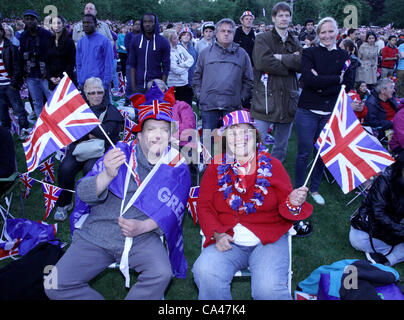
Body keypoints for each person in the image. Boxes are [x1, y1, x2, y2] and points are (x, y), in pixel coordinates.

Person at [45, 82, 190, 300]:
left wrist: (144, 226)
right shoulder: (119, 153)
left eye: (164, 129)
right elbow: (83, 193)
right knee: (54, 284)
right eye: (152, 129)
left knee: (161, 274)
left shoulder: (176, 166)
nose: (158, 135)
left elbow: (175, 211)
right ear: (139, 135)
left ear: (171, 135)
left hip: (143, 237)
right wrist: (107, 175)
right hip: (98, 233)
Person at [192, 109, 313, 300]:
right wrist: (216, 232)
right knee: (205, 271)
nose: (238, 138)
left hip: (268, 241)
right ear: (225, 138)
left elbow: (286, 207)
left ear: (255, 135)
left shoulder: (273, 165)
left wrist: (293, 201)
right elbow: (204, 206)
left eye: (244, 131)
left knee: (268, 289)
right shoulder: (215, 166)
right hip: (229, 240)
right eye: (232, 132)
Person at [294, 17, 355, 206]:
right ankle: (298, 188)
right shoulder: (309, 52)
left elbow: (348, 84)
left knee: (321, 153)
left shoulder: (345, 57)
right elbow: (309, 81)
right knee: (304, 152)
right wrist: (336, 79)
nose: (327, 35)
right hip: (307, 110)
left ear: (337, 32)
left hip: (329, 112)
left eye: (330, 31)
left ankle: (313, 188)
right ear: (318, 34)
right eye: (323, 32)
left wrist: (322, 81)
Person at [53, 77, 123, 221]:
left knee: (90, 169)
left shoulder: (110, 109)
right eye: (92, 93)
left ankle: (89, 206)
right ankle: (64, 203)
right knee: (65, 168)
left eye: (99, 92)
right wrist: (94, 132)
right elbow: (72, 134)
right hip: (79, 148)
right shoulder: (79, 110)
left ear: (104, 92)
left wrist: (88, 128)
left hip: (101, 150)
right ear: (85, 93)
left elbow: (109, 133)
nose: (96, 96)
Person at [250, 2, 302, 163]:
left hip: (288, 100)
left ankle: (273, 179)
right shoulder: (262, 39)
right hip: (265, 100)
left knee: (280, 147)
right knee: (256, 144)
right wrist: (289, 64)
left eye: (287, 15)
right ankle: (252, 177)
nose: (284, 19)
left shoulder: (294, 41)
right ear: (273, 18)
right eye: (280, 15)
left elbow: (302, 63)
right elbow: (262, 62)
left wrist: (280, 58)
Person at [193, 18, 253, 132]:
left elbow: (248, 80)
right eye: (223, 31)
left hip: (232, 105)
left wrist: (240, 98)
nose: (226, 34)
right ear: (217, 33)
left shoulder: (242, 54)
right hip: (209, 104)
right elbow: (197, 77)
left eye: (229, 31)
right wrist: (200, 95)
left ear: (233, 34)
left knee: (232, 142)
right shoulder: (205, 53)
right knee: (207, 141)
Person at [349, 151, 404, 266]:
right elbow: (378, 213)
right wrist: (400, 231)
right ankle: (387, 255)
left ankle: (385, 259)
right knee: (357, 240)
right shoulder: (385, 180)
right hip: (369, 229)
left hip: (393, 230)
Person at [19, 9, 53, 118]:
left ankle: (56, 124)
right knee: (36, 102)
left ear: (37, 20)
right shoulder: (23, 36)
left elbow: (53, 53)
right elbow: (22, 55)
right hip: (31, 74)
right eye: (27, 19)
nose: (29, 22)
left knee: (51, 101)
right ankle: (41, 125)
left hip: (45, 75)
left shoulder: (46, 34)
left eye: (32, 19)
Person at [129, 12, 171, 94]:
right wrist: (133, 87)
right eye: (145, 22)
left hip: (155, 86)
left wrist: (162, 86)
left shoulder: (163, 42)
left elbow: (166, 66)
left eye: (150, 22)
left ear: (155, 23)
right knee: (139, 107)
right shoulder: (135, 40)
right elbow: (132, 65)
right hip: (139, 85)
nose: (147, 24)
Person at [0, 23, 29, 135]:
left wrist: (13, 84)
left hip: (10, 84)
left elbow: (17, 67)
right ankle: (7, 133)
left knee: (18, 109)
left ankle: (25, 129)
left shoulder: (10, 47)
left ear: (2, 32)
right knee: (2, 112)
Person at [76, 14, 114, 98]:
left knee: (102, 111)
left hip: (99, 86)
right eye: (84, 23)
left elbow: (109, 65)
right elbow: (79, 64)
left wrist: (104, 85)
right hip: (85, 85)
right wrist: (80, 82)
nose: (86, 25)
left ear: (96, 25)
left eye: (89, 23)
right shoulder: (81, 42)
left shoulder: (105, 41)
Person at [163, 29, 194, 106]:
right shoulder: (167, 53)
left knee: (186, 107)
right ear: (169, 40)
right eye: (175, 38)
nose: (178, 39)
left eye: (177, 37)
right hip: (175, 86)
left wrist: (183, 65)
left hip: (185, 83)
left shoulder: (180, 47)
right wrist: (187, 66)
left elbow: (191, 59)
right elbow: (176, 70)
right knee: (176, 109)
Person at [45, 16, 76, 91]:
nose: (56, 25)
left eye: (58, 23)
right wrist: (50, 77)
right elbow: (47, 61)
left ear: (63, 25)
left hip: (66, 80)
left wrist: (61, 77)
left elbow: (71, 62)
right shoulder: (49, 41)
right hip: (52, 80)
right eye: (54, 23)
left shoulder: (69, 41)